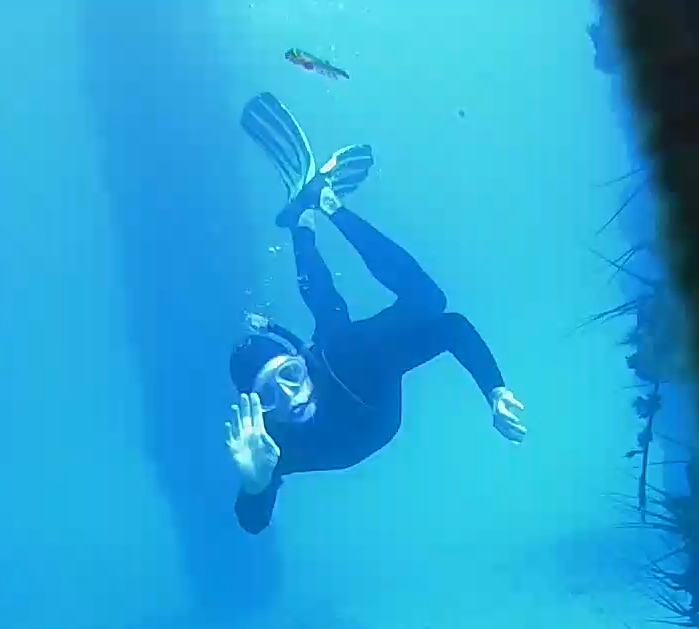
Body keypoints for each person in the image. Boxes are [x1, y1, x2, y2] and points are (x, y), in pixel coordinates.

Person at [224, 93, 526, 535]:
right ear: (258, 408)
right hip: (337, 368)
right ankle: (309, 211)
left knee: (407, 305)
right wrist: (254, 484)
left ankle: (322, 207)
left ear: (301, 364)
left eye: (289, 375)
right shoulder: (273, 446)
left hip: (344, 361)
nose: (288, 397)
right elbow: (252, 521)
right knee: (333, 311)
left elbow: (453, 329)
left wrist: (493, 388)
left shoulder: (355, 361)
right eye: (268, 395)